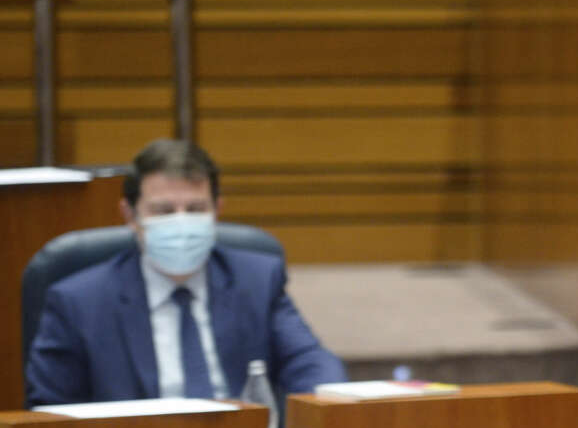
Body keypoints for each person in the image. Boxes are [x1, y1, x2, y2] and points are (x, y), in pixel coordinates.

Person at [26, 138, 347, 408]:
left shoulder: (257, 280)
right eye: (164, 211)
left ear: (217, 211)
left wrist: (327, 400)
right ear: (130, 215)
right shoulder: (79, 301)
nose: (181, 223)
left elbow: (309, 362)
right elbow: (51, 412)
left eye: (195, 209)